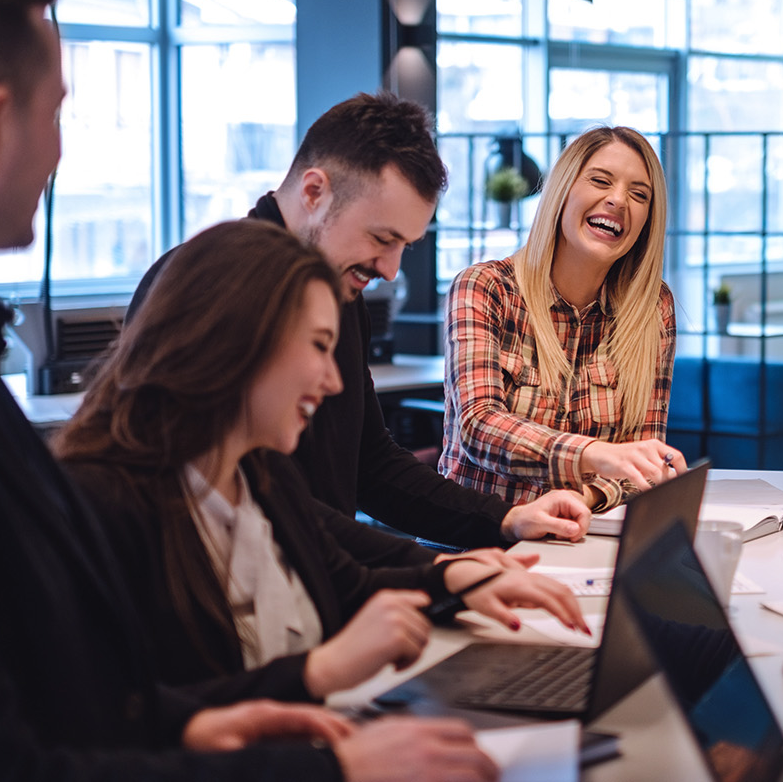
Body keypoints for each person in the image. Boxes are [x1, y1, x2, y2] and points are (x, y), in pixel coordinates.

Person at [0, 0, 498, 782]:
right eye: (57, 111)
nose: (62, 152)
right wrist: (330, 772)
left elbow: (60, 689)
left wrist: (202, 721)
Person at [57, 220, 586, 701]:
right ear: (236, 341)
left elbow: (347, 583)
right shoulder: (101, 507)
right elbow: (121, 721)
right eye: (317, 347)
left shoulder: (260, 479)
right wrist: (319, 672)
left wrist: (457, 578)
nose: (333, 382)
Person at [130, 94, 589, 564]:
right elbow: (257, 505)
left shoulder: (339, 289)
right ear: (314, 193)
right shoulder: (202, 287)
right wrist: (433, 571)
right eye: (381, 238)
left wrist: (505, 519)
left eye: (404, 247)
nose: (389, 270)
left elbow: (371, 465)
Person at [441, 126, 684, 512]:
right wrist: (596, 455)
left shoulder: (653, 307)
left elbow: (643, 462)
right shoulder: (487, 288)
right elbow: (479, 427)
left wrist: (583, 497)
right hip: (478, 543)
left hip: (581, 539)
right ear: (562, 191)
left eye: (639, 195)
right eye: (600, 181)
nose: (619, 200)